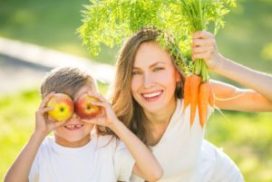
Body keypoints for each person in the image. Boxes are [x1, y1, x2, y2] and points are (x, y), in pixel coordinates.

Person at [110, 28, 272, 182]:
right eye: (135, 72)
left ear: (177, 74)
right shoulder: (114, 121)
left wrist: (220, 64)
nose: (147, 83)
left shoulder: (196, 95)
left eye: (158, 69)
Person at [4, 67, 162, 182]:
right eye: (64, 109)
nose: (74, 117)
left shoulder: (108, 148)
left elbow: (154, 173)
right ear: (46, 110)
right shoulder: (40, 152)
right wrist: (37, 135)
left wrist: (114, 124)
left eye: (82, 105)